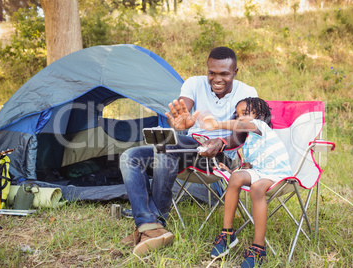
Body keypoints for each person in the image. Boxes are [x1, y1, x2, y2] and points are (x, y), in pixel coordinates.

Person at [120, 47, 258, 256]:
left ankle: (153, 225)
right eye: (212, 72)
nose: (216, 79)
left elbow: (241, 133)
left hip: (222, 156)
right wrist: (177, 123)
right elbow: (180, 113)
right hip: (187, 145)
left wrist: (219, 141)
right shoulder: (194, 83)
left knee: (166, 148)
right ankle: (149, 226)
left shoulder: (247, 93)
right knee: (130, 157)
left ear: (235, 72)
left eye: (224, 74)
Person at [198, 97, 292, 267]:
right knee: (236, 177)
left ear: (260, 116)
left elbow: (241, 126)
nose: (241, 118)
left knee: (257, 188)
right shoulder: (248, 143)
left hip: (277, 174)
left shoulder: (260, 126)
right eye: (238, 114)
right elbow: (248, 167)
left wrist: (216, 125)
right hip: (260, 172)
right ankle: (227, 234)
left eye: (246, 114)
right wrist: (232, 171)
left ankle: (258, 248)